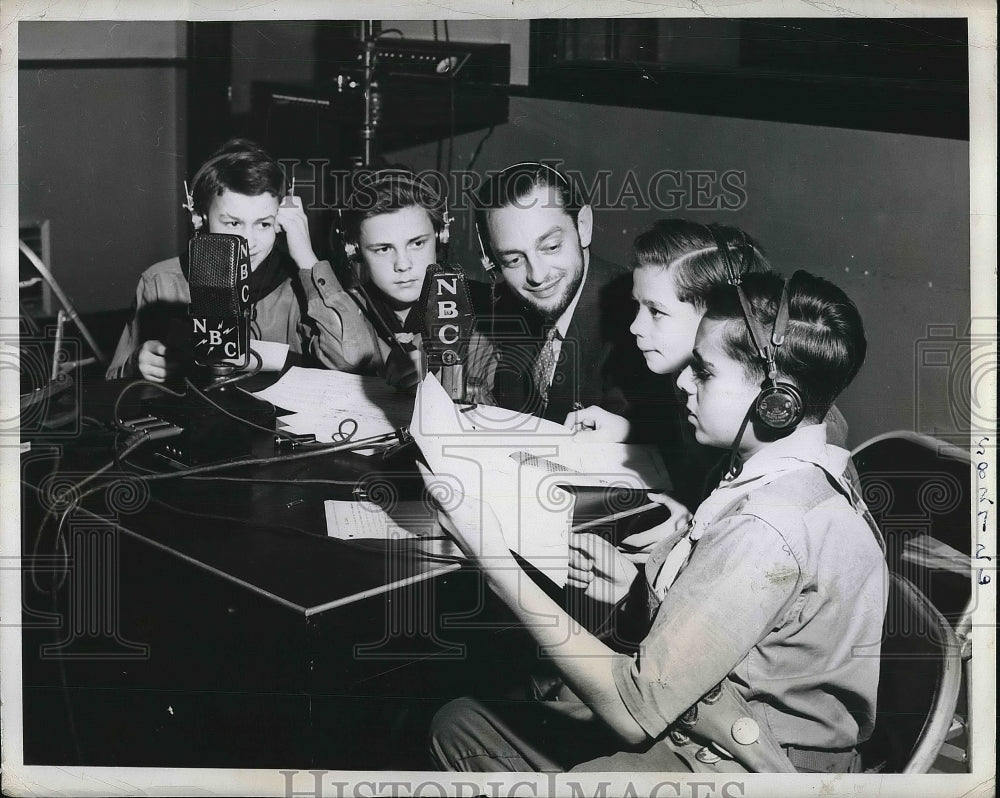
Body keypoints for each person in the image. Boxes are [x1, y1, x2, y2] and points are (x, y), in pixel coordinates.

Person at [418, 269, 887, 774]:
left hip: (743, 767)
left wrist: (487, 549)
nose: (684, 381)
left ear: (777, 404)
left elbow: (629, 711)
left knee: (474, 725)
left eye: (704, 372)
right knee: (460, 724)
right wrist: (638, 590)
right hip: (718, 724)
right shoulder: (802, 471)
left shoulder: (768, 527)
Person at [570, 219, 857, 509]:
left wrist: (685, 528)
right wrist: (630, 434)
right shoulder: (688, 377)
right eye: (638, 307)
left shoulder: (787, 414)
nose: (635, 327)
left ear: (717, 313)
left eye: (656, 311)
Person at [106, 138, 318, 381]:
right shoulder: (159, 282)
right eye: (233, 223)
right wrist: (134, 365)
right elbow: (112, 380)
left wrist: (307, 259)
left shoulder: (298, 286)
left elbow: (351, 361)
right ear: (199, 219)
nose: (248, 242)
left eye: (263, 224)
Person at [474, 162, 649, 422]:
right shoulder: (509, 305)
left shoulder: (639, 321)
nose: (537, 275)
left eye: (552, 246)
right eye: (513, 260)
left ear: (583, 226)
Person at [298, 168, 495, 398]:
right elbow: (343, 358)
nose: (403, 264)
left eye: (417, 244)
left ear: (441, 237)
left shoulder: (479, 308)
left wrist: (442, 378)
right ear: (354, 251)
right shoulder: (345, 308)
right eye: (383, 249)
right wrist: (304, 255)